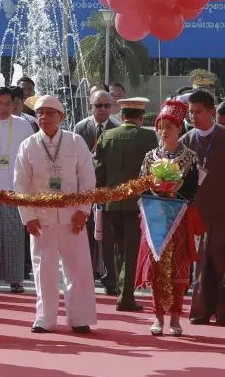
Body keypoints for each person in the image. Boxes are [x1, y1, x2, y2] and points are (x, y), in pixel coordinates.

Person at [14, 95, 97, 334]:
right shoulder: (27, 145)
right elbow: (21, 184)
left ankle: (80, 317)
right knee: (43, 269)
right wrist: (27, 216)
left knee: (78, 267)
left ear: (61, 116)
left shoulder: (75, 141)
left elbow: (87, 179)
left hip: (72, 217)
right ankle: (45, 318)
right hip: (41, 218)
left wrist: (83, 210)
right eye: (40, 113)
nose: (44, 117)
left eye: (50, 113)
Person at [138, 100, 200, 336]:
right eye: (161, 127)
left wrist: (172, 192)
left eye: (170, 127)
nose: (165, 131)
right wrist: (155, 193)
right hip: (154, 217)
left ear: (179, 129)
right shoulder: (149, 156)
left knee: (179, 267)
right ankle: (157, 316)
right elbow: (142, 184)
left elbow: (193, 187)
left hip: (179, 217)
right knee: (156, 266)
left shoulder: (189, 157)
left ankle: (175, 316)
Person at [94, 97, 154, 311]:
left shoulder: (107, 136)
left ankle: (123, 292)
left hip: (112, 203)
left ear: (122, 115)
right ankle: (126, 297)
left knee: (119, 249)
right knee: (131, 250)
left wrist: (100, 196)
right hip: (138, 204)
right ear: (141, 117)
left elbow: (98, 170)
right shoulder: (149, 137)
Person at [0, 87, 34, 294]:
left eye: (8, 104)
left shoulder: (24, 125)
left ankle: (15, 279)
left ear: (14, 104)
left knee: (14, 235)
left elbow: (31, 155)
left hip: (15, 187)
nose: (4, 108)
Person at [184, 89, 225, 325]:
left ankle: (222, 312)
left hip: (222, 211)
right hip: (196, 213)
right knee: (200, 264)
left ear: (211, 112)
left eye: (198, 112)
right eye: (190, 111)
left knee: (221, 262)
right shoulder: (186, 141)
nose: (193, 116)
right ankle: (199, 311)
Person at [74, 88, 121, 285]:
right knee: (87, 233)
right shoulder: (80, 128)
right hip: (86, 189)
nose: (102, 109)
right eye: (97, 105)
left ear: (111, 108)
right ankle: (88, 272)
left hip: (108, 189)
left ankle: (110, 275)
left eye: (106, 105)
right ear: (90, 106)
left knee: (109, 235)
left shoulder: (117, 129)